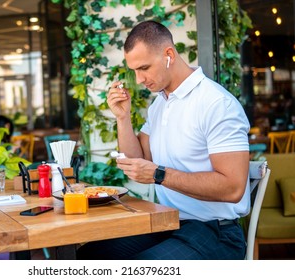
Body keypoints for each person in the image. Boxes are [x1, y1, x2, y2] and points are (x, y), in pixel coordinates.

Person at [77, 20, 251, 260]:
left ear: (168, 54)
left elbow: (233, 188)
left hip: (216, 231)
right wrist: (123, 118)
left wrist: (160, 174)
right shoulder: (160, 103)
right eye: (134, 71)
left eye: (144, 68)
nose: (138, 79)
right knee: (89, 254)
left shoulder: (216, 104)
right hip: (168, 221)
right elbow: (137, 161)